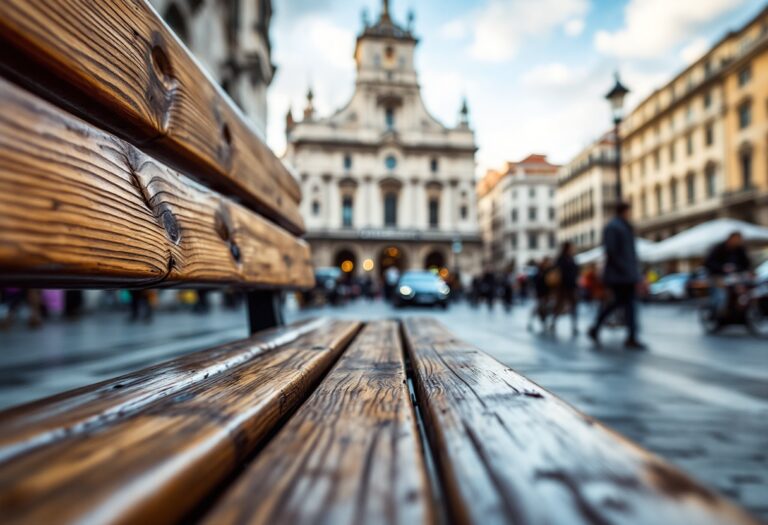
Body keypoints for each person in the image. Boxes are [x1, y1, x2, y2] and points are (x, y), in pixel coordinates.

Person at [588, 202, 646, 349]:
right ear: (624, 211)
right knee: (623, 304)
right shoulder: (614, 227)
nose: (630, 214)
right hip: (620, 275)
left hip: (626, 274)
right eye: (629, 211)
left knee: (625, 304)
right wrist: (628, 270)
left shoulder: (624, 227)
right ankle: (629, 336)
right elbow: (612, 252)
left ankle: (629, 335)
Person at [704, 231, 751, 314]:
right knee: (721, 295)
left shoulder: (740, 249)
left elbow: (746, 263)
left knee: (744, 290)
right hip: (717, 275)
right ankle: (718, 313)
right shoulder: (719, 248)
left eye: (739, 239)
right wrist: (722, 268)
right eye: (736, 239)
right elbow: (709, 263)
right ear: (730, 239)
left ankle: (740, 310)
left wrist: (740, 269)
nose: (738, 241)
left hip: (734, 276)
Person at [550, 241, 579, 335]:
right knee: (560, 305)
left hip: (571, 286)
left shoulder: (571, 258)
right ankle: (553, 322)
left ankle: (574, 325)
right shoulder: (562, 259)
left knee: (573, 305)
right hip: (562, 286)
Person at [528, 257, 554, 331]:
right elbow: (537, 283)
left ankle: (544, 321)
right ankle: (531, 321)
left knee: (544, 308)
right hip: (541, 293)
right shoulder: (539, 272)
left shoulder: (548, 271)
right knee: (538, 307)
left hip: (546, 293)